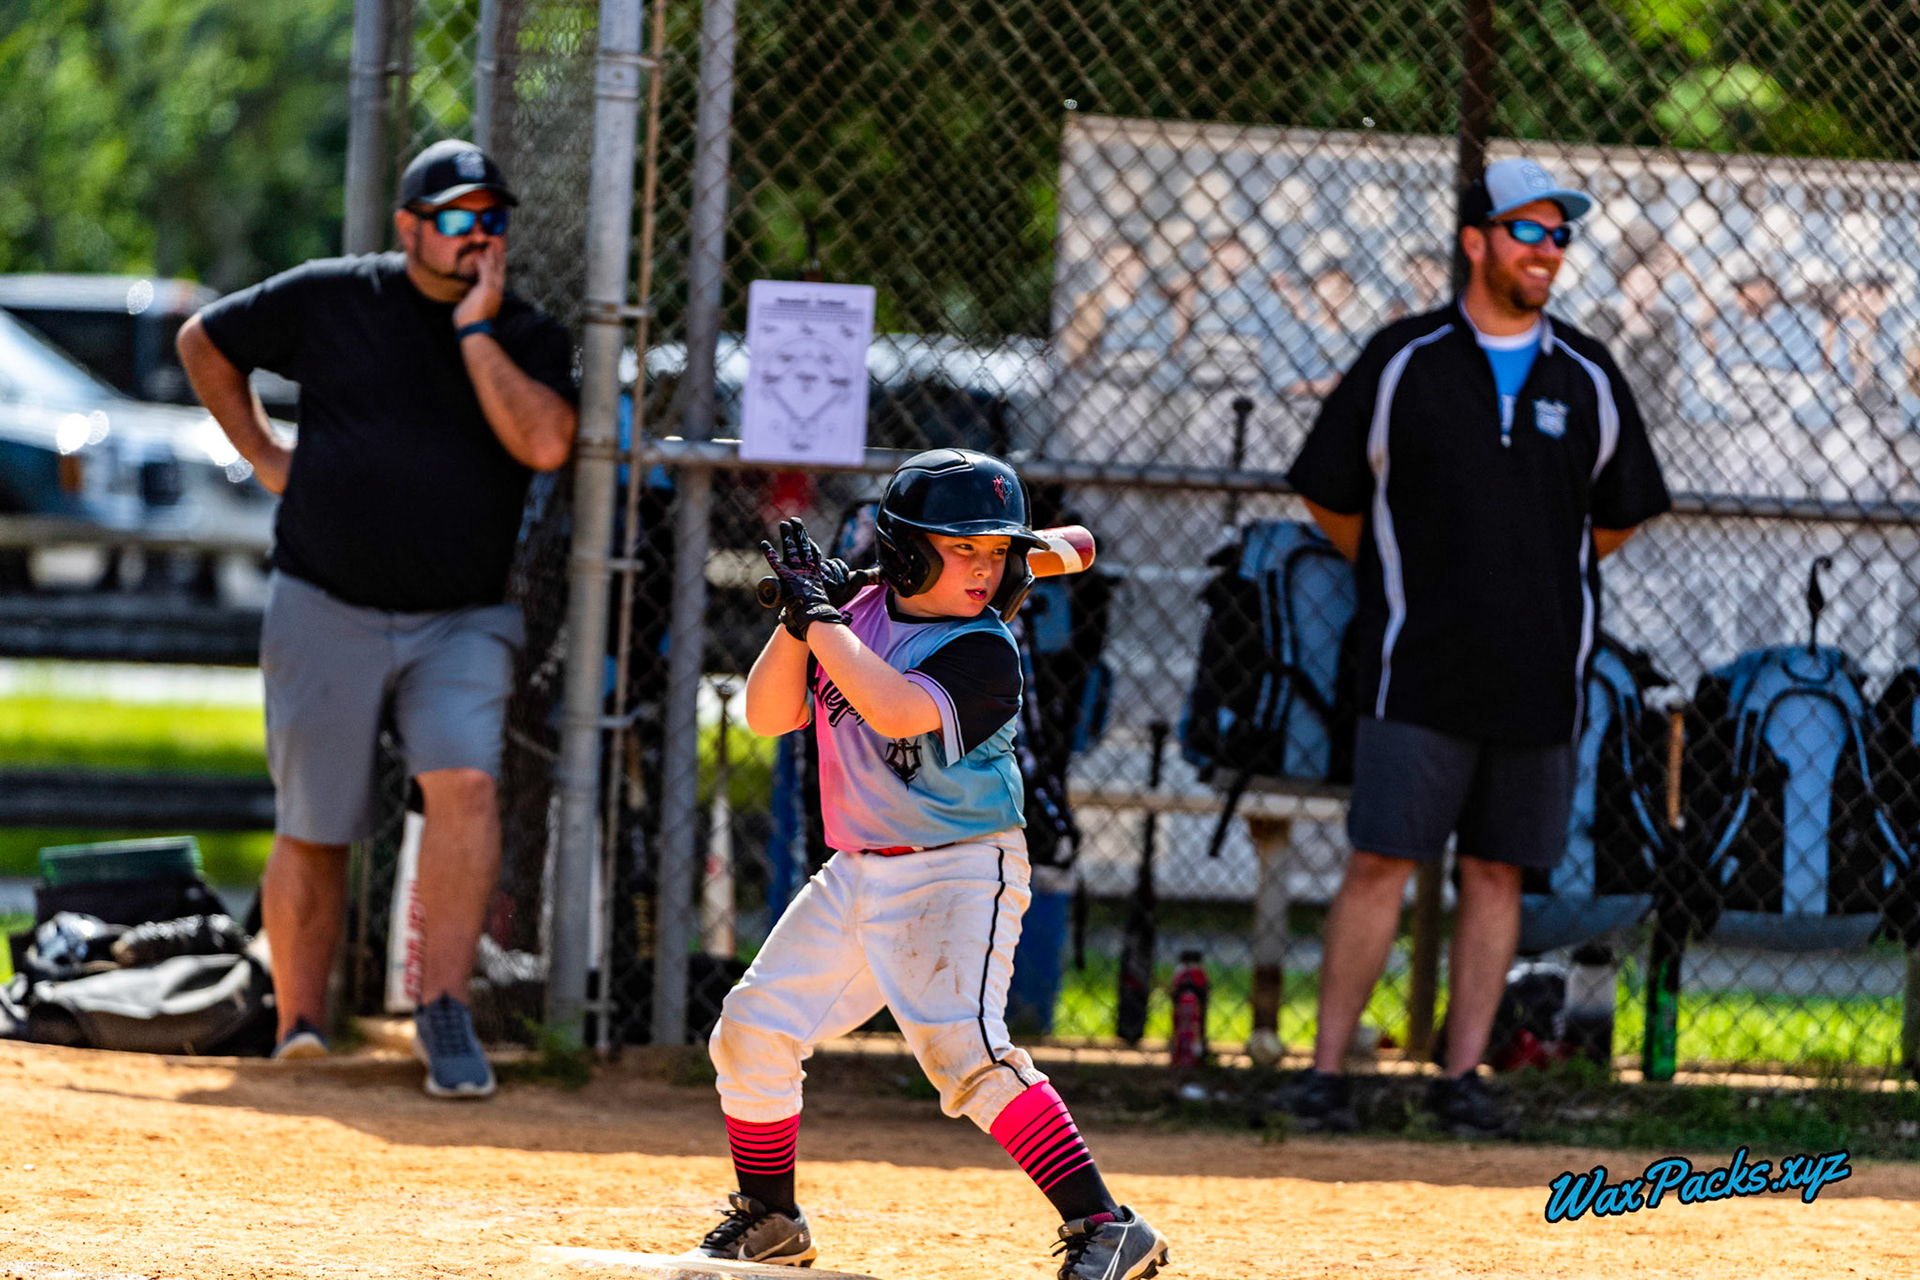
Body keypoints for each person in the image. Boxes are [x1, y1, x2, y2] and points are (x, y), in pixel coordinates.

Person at [692, 449, 1171, 1278]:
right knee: (752, 1030)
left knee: (966, 1052)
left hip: (960, 872)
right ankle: (771, 1217)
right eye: (964, 549)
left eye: (998, 552)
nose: (986, 569)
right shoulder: (860, 612)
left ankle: (1106, 1225)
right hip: (857, 870)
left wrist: (823, 618)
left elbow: (894, 708)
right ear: (908, 551)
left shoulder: (986, 649)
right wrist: (801, 617)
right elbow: (769, 714)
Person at [175, 139, 578, 1097]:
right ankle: (302, 1026)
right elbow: (204, 342)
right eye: (454, 218)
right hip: (326, 598)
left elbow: (547, 444)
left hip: (461, 617)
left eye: (491, 219)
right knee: (315, 820)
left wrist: (476, 332)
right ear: (408, 228)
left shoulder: (523, 333)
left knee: (465, 789)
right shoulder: (335, 296)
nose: (476, 236)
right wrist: (268, 456)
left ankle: (441, 1015)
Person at [1278, 157, 1672, 1136]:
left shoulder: (1584, 372)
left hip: (1541, 676)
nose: (1546, 251)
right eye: (1527, 232)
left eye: (1559, 236)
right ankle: (1326, 1072)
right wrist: (1411, 569)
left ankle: (1462, 1079)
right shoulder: (1406, 358)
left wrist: (1537, 571)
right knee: (1381, 861)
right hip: (1415, 666)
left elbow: (1619, 513)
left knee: (1496, 873)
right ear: (1476, 241)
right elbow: (1328, 491)